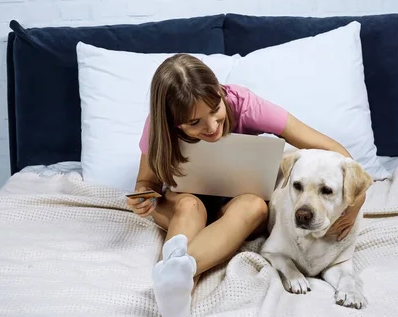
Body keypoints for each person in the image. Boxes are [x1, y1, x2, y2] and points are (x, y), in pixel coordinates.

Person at [126, 54, 366, 317]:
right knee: (188, 204)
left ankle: (171, 278)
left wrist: (356, 202)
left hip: (234, 205)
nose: (212, 127)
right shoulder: (158, 125)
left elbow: (334, 151)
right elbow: (145, 182)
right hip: (184, 203)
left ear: (220, 91)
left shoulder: (244, 103)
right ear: (173, 121)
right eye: (195, 123)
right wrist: (141, 196)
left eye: (215, 109)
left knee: (255, 206)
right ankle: (175, 298)